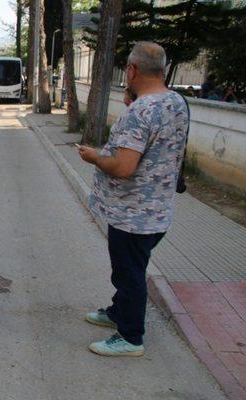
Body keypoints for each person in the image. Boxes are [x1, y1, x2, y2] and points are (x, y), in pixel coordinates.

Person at [77, 42, 188, 357]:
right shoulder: (177, 102)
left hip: (132, 214)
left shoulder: (142, 110)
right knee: (129, 269)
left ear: (132, 70)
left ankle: (130, 337)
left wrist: (95, 158)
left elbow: (124, 167)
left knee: (129, 273)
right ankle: (118, 312)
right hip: (157, 211)